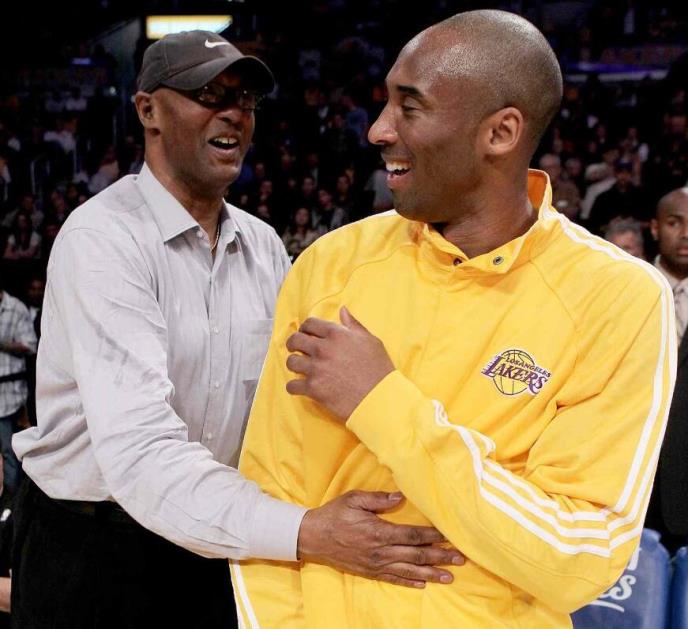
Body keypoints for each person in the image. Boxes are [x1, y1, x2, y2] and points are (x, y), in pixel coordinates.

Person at [235, 10, 675, 627]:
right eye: (385, 102)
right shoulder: (331, 264)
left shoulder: (616, 296)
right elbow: (268, 506)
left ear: (500, 133)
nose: (378, 129)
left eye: (410, 107)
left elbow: (581, 555)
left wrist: (383, 403)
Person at [10, 30, 459, 629]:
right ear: (148, 110)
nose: (233, 114)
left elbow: (295, 400)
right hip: (96, 544)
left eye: (244, 99)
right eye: (208, 95)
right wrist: (309, 532)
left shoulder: (264, 245)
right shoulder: (104, 239)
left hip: (222, 534)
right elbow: (140, 455)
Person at [645, 188, 688, 553]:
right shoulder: (623, 285)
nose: (686, 234)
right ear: (655, 228)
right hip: (626, 480)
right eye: (676, 223)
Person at [0, 270, 36, 498]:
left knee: (9, 449)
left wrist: (3, 344)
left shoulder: (16, 308)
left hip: (10, 392)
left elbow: (31, 345)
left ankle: (12, 501)